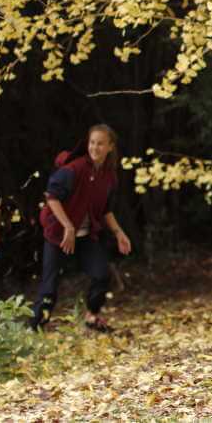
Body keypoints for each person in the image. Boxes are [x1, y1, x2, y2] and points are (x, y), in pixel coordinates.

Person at [31, 124, 132, 332]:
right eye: (92, 142)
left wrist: (119, 232)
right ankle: (33, 330)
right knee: (49, 289)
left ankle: (91, 317)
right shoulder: (73, 169)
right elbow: (51, 197)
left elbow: (105, 210)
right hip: (58, 235)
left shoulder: (109, 176)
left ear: (110, 147)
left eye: (100, 143)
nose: (95, 147)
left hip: (85, 236)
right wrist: (67, 225)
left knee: (102, 274)